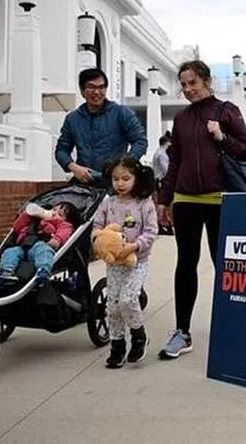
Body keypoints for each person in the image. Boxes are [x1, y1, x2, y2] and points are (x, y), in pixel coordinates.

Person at [155, 60, 246, 360]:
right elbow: (175, 161)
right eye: (183, 85)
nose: (187, 89)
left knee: (224, 265)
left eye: (193, 83)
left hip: (219, 200)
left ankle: (232, 325)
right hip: (186, 200)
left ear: (207, 81)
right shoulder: (181, 119)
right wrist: (164, 199)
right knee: (186, 264)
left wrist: (222, 136)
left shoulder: (227, 111)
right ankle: (182, 332)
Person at [91, 154, 159, 369]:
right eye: (116, 179)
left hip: (137, 262)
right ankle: (117, 345)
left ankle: (139, 336)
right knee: (113, 306)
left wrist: (135, 245)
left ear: (136, 178)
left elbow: (151, 231)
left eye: (125, 178)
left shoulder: (144, 204)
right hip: (114, 264)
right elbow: (97, 227)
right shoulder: (108, 203)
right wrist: (98, 241)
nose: (120, 183)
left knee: (128, 300)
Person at [55, 68, 148, 189]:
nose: (96, 92)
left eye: (101, 87)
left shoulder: (122, 113)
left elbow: (140, 141)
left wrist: (124, 165)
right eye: (91, 87)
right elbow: (61, 150)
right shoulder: (72, 119)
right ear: (82, 91)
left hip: (114, 183)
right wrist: (73, 167)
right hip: (83, 183)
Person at [0, 201, 78, 285]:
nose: (54, 213)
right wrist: (27, 215)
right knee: (10, 252)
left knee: (44, 252)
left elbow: (64, 232)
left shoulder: (64, 225)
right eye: (54, 209)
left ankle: (43, 270)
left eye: (60, 214)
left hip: (41, 246)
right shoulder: (35, 219)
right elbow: (17, 227)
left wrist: (57, 239)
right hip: (23, 247)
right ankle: (6, 271)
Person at [152, 134, 174, 235]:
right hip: (162, 181)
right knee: (164, 203)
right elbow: (166, 169)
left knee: (159, 203)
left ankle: (162, 224)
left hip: (157, 180)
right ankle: (165, 224)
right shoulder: (162, 154)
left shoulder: (157, 152)